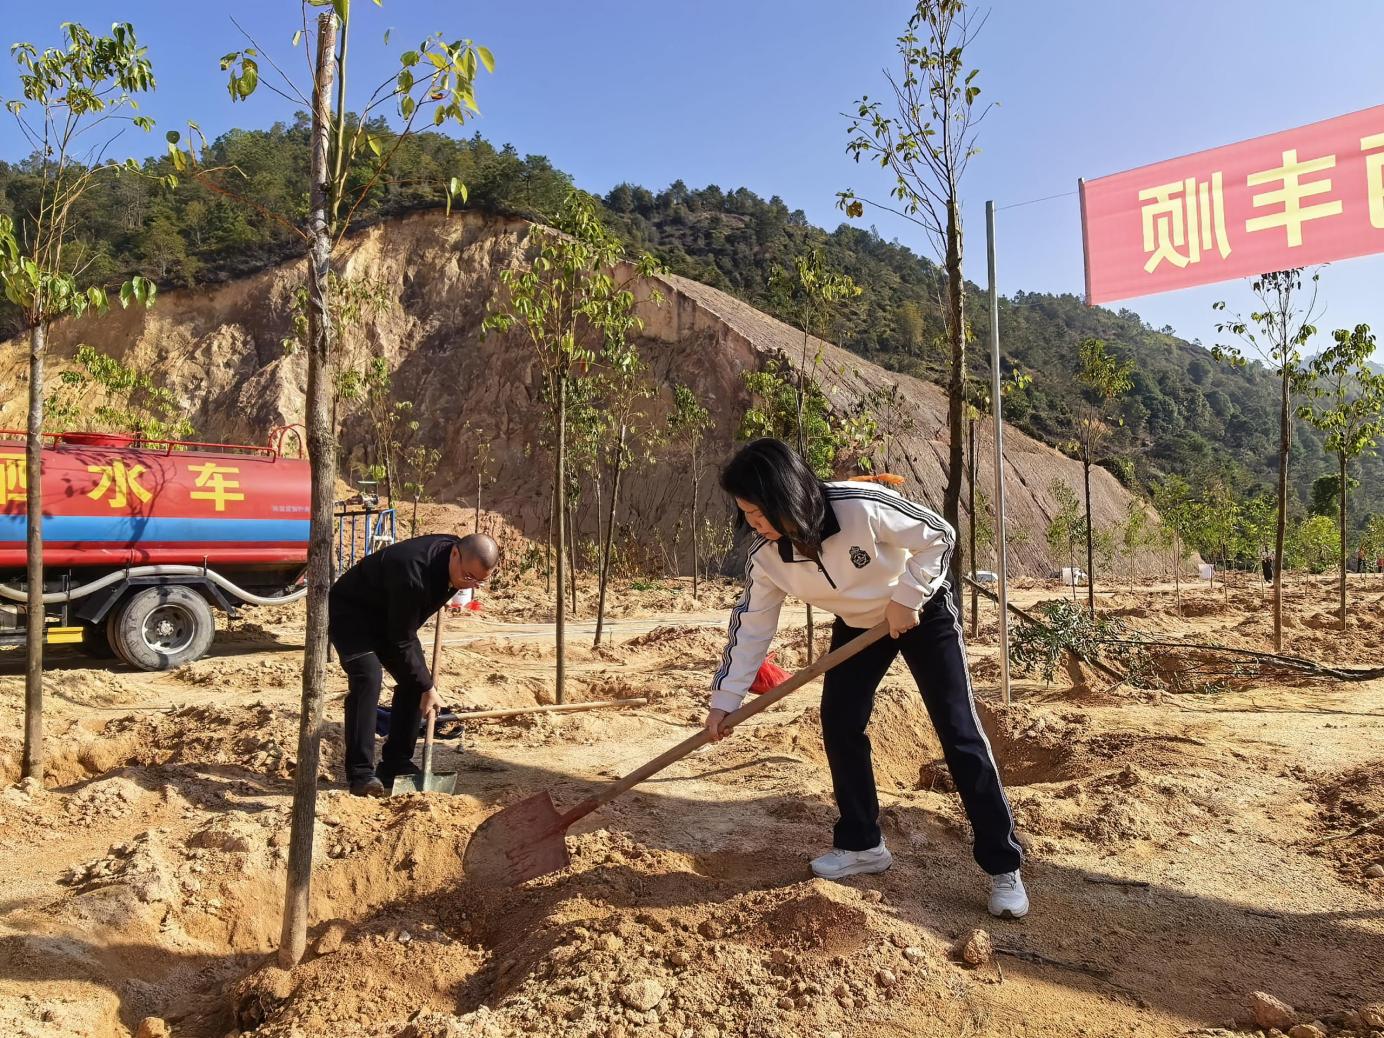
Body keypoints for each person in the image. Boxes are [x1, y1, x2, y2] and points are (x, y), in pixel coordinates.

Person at [704, 439, 1028, 919]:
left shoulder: (858, 506)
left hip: (921, 611)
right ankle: (862, 844)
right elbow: (751, 626)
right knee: (839, 721)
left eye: (760, 513)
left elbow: (939, 535)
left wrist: (909, 595)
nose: (756, 525)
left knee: (958, 731)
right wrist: (725, 699)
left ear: (785, 494)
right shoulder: (767, 557)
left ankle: (1004, 867)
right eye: (748, 516)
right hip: (859, 627)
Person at [329, 532, 499, 797]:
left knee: (416, 680)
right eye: (468, 577)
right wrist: (427, 686)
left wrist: (423, 683)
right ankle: (360, 774)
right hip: (354, 614)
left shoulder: (455, 563)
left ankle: (396, 763)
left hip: (394, 619)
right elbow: (401, 639)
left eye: (480, 582)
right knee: (368, 678)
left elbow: (402, 633)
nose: (470, 585)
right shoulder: (413, 572)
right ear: (455, 554)